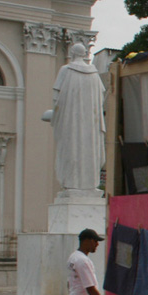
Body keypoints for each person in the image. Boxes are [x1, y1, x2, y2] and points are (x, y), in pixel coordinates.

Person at [51, 43, 105, 193]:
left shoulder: (66, 70)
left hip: (71, 122)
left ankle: (70, 181)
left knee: (71, 148)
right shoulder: (94, 75)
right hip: (90, 126)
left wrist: (55, 116)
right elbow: (101, 98)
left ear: (72, 53)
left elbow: (56, 98)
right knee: (89, 150)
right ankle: (89, 182)